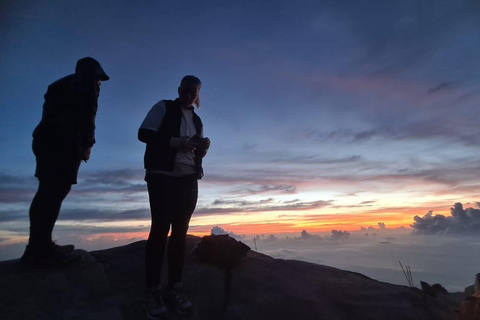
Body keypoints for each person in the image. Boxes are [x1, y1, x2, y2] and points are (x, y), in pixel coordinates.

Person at [21, 57, 110, 266]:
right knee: (54, 193)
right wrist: (88, 145)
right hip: (64, 144)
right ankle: (40, 250)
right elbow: (89, 115)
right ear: (93, 74)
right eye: (99, 79)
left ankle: (39, 245)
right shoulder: (86, 85)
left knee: (47, 191)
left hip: (44, 141)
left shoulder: (59, 85)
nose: (100, 84)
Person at [138, 75, 210, 318]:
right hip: (162, 175)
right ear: (179, 89)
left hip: (188, 178)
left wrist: (202, 148)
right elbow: (144, 133)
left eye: (193, 92)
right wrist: (173, 142)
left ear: (197, 94)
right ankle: (152, 291)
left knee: (180, 232)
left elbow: (195, 151)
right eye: (186, 90)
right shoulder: (164, 107)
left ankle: (175, 287)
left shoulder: (197, 120)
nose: (189, 95)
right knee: (160, 229)